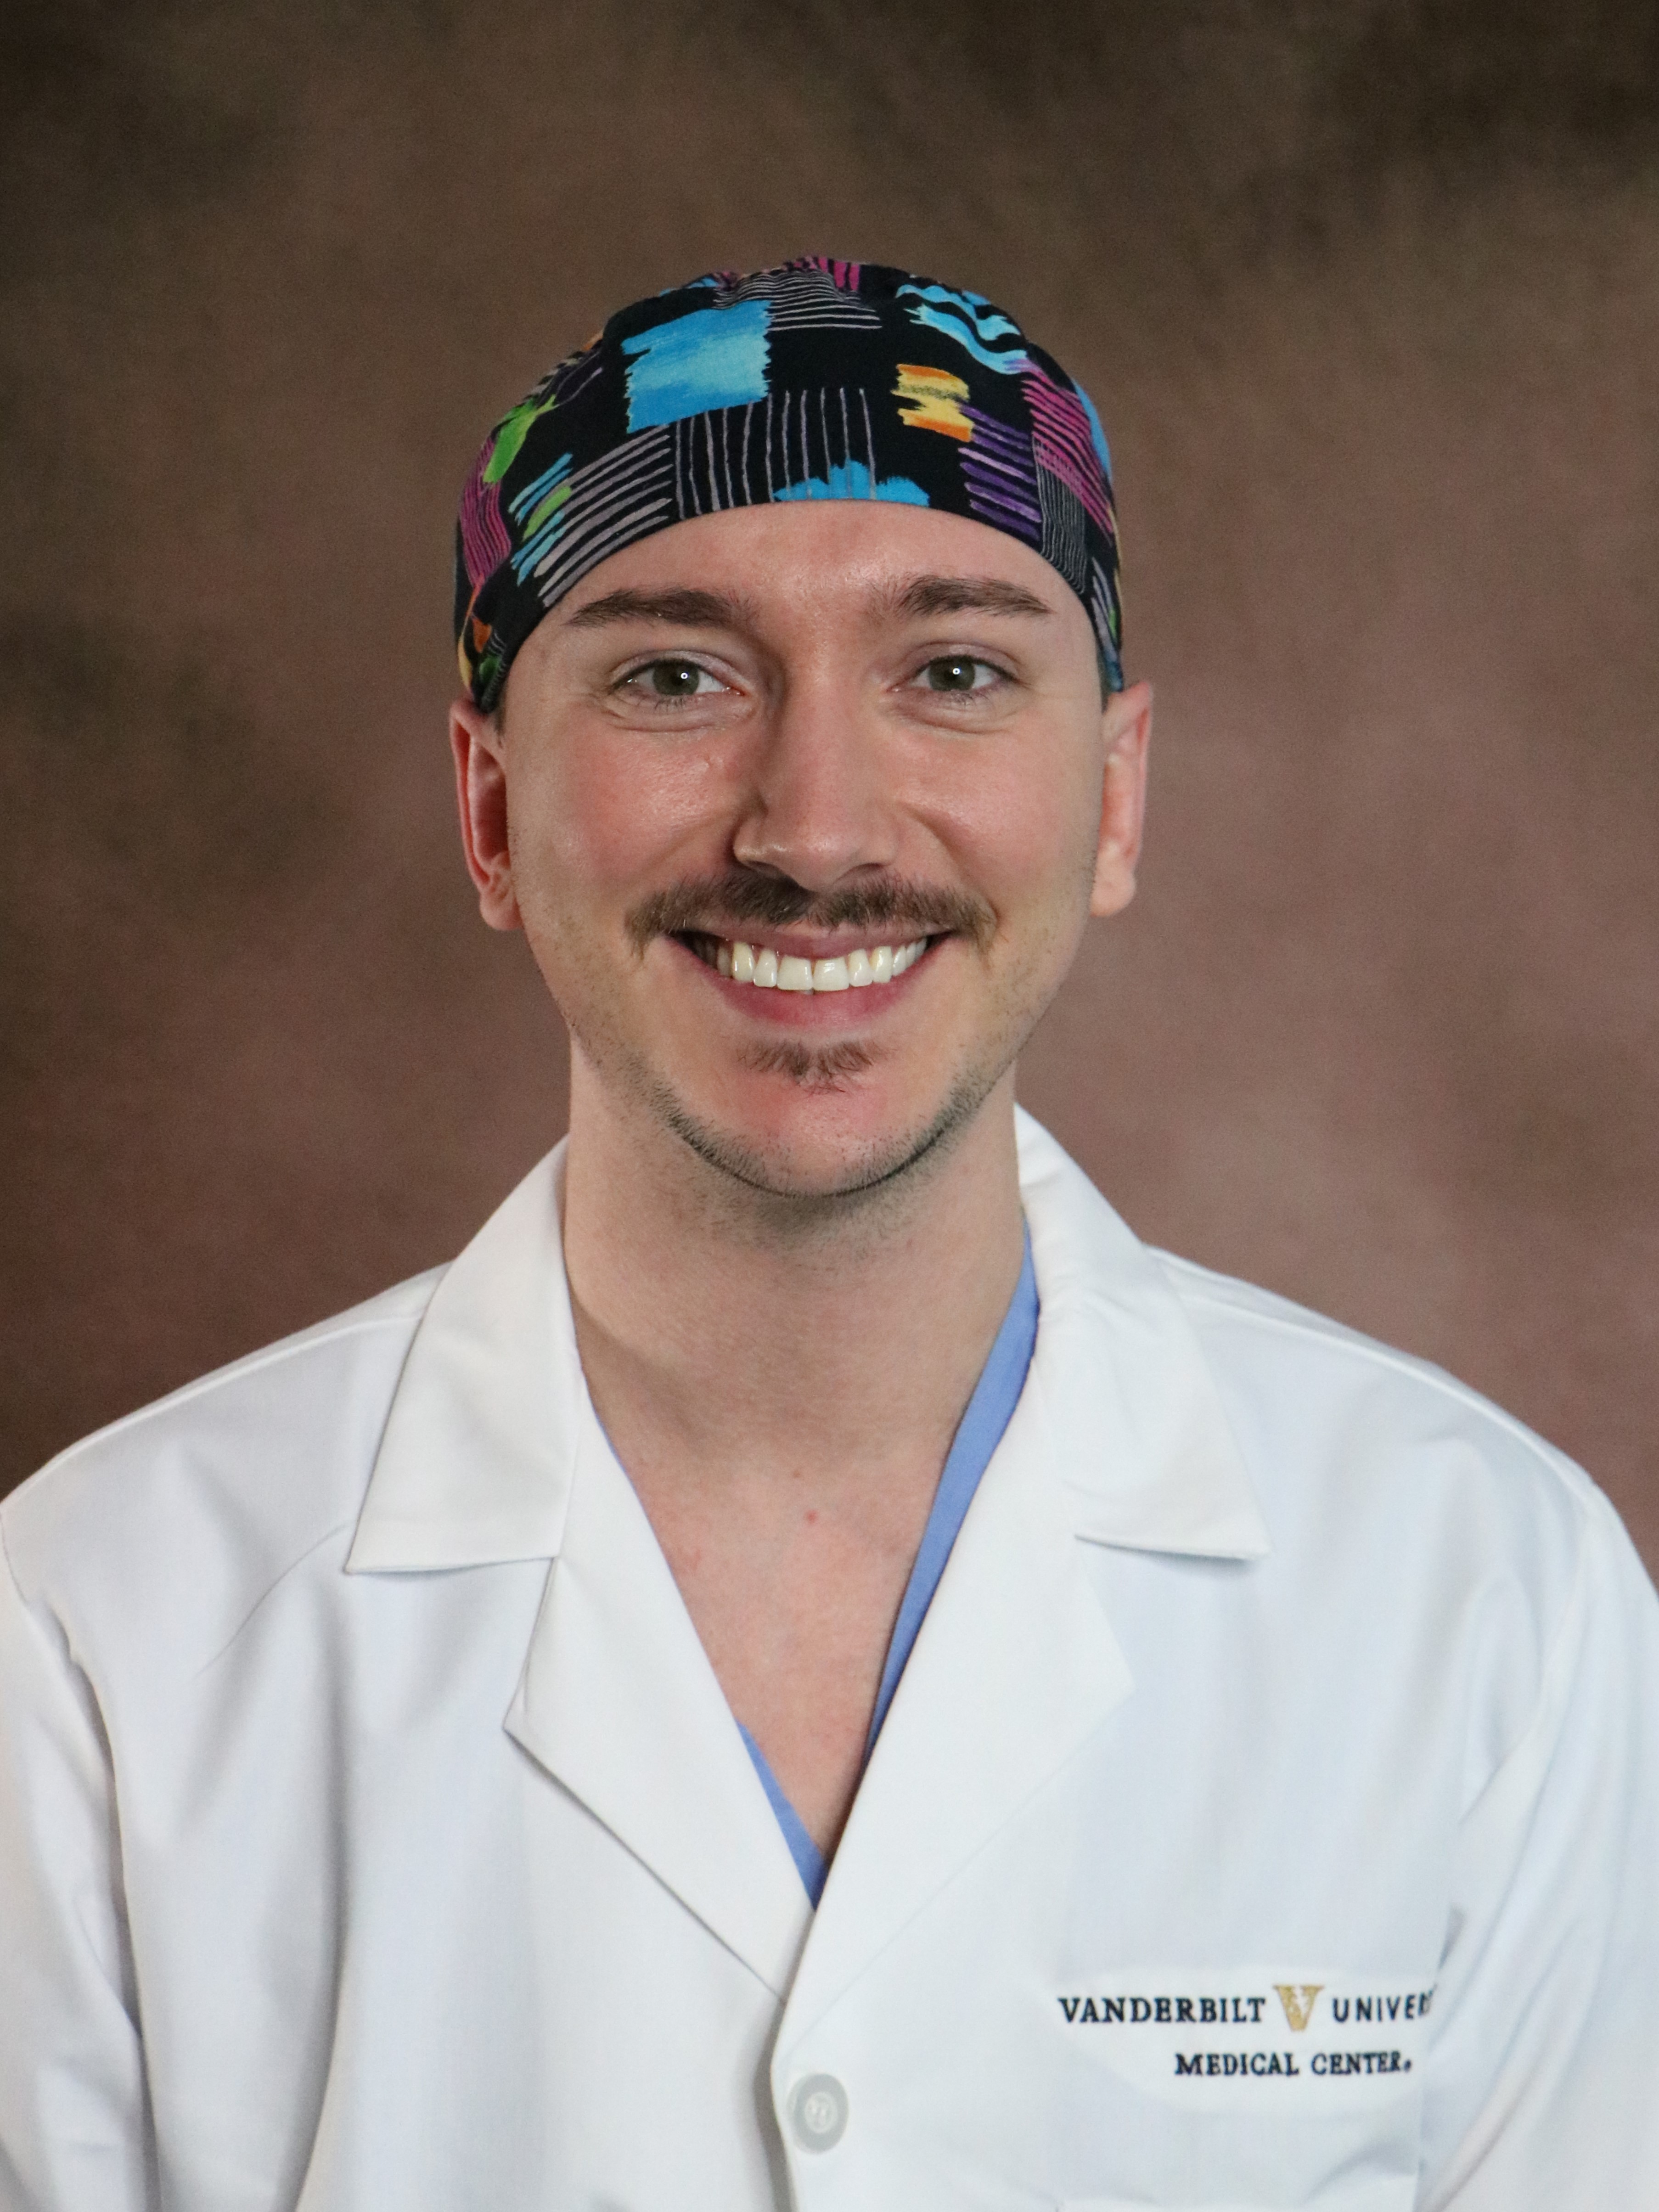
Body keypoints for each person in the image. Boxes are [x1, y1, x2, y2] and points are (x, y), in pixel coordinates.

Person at [2, 258, 1656, 2212]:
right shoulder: (95, 1640)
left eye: (951, 670)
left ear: (1113, 797)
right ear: (490, 809)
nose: (815, 825)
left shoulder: (1486, 1599)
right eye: (673, 675)